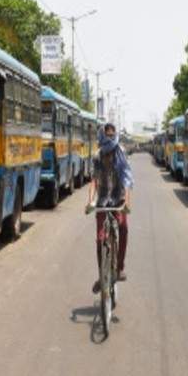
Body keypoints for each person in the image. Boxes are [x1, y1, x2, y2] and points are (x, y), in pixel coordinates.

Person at [85, 123, 133, 294]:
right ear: (102, 136)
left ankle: (119, 268)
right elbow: (94, 180)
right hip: (103, 202)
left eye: (112, 136)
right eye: (107, 135)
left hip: (118, 200)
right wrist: (90, 201)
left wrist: (127, 202)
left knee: (124, 228)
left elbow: (127, 179)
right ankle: (102, 275)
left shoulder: (121, 152)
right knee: (100, 240)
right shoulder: (97, 156)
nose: (110, 138)